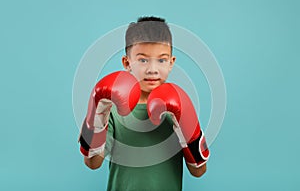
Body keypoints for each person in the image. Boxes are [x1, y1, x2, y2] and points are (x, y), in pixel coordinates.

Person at [78, 16, 210, 191]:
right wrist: (97, 112)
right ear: (127, 63)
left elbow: (199, 171)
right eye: (143, 60)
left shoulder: (179, 106)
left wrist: (186, 125)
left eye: (161, 60)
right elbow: (92, 163)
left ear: (171, 63)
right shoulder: (113, 109)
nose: (152, 69)